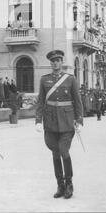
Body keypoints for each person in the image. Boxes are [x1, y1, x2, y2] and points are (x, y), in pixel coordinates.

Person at [35, 50, 83, 199]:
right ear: (51, 63)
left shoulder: (70, 79)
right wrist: (38, 120)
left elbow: (77, 101)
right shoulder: (44, 80)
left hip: (67, 121)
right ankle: (60, 184)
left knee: (64, 151)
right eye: (53, 61)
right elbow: (41, 101)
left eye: (58, 60)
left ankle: (69, 184)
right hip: (50, 121)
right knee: (55, 153)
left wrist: (79, 119)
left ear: (62, 62)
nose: (56, 63)